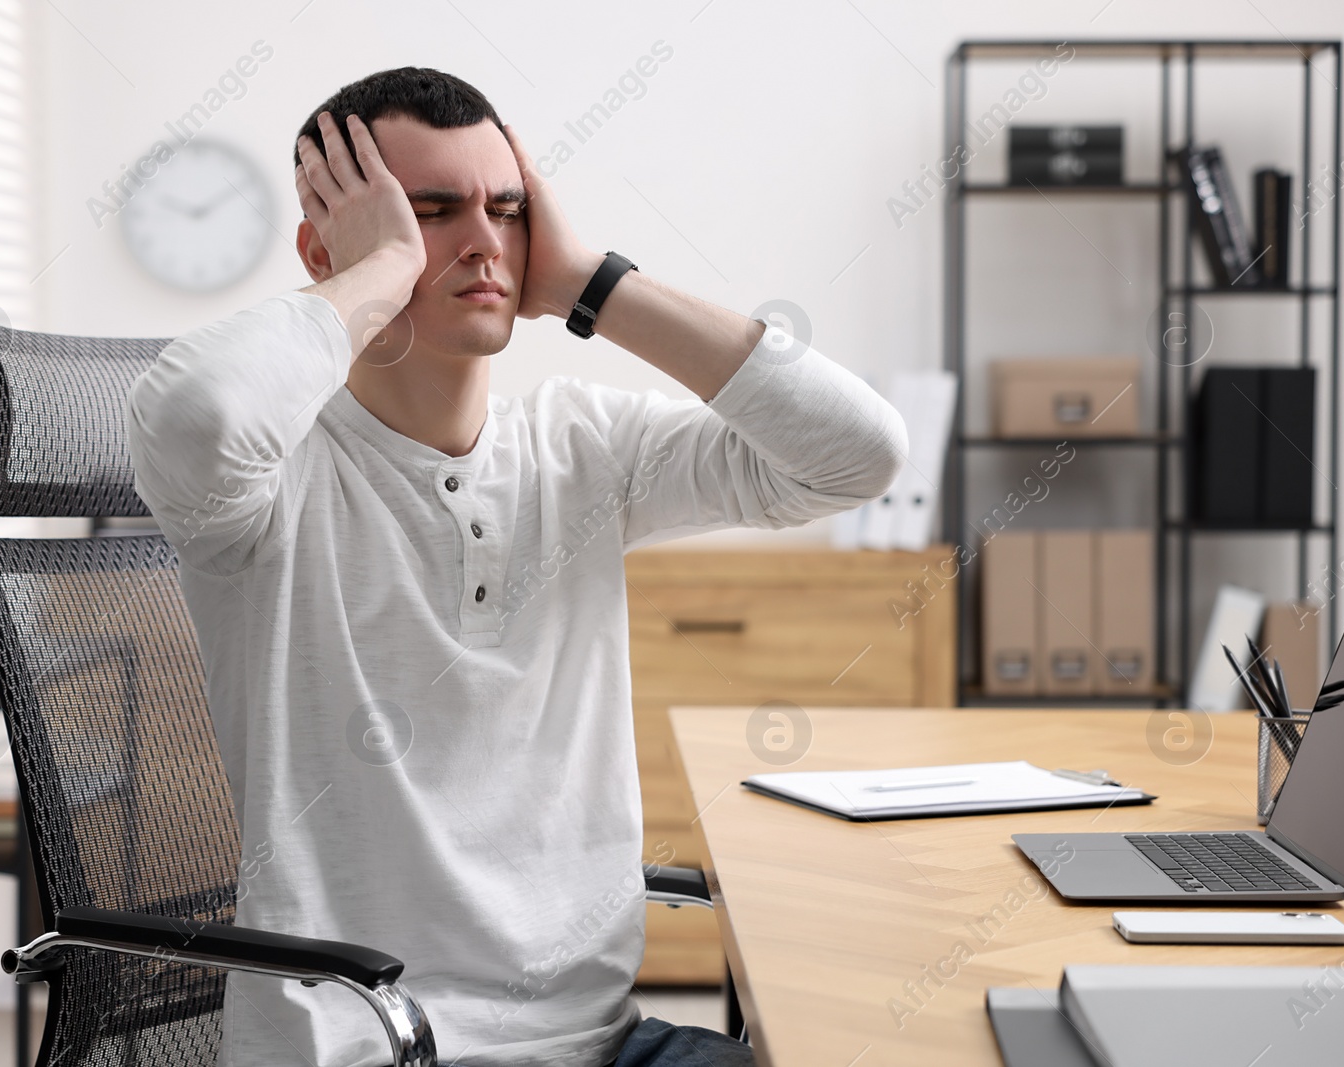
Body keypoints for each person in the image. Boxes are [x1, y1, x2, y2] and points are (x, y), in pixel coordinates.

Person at [127, 66, 906, 1067]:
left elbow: (858, 455)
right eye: (429, 212)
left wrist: (591, 281)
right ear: (333, 247)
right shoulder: (265, 483)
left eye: (507, 209)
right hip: (370, 1048)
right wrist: (370, 278)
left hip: (601, 1044)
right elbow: (197, 413)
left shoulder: (583, 446)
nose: (483, 241)